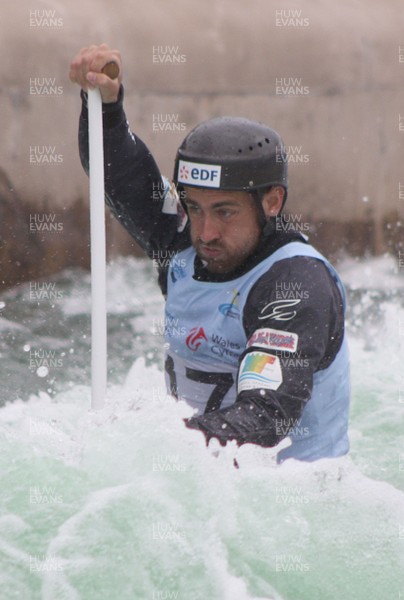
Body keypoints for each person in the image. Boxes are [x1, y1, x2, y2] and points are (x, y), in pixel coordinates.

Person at [69, 44, 350, 462]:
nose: (206, 232)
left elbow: (263, 417)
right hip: (201, 487)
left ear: (272, 202)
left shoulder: (295, 284)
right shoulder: (184, 238)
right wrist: (106, 107)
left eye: (225, 211)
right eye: (195, 207)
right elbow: (124, 180)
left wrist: (144, 450)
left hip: (294, 504)